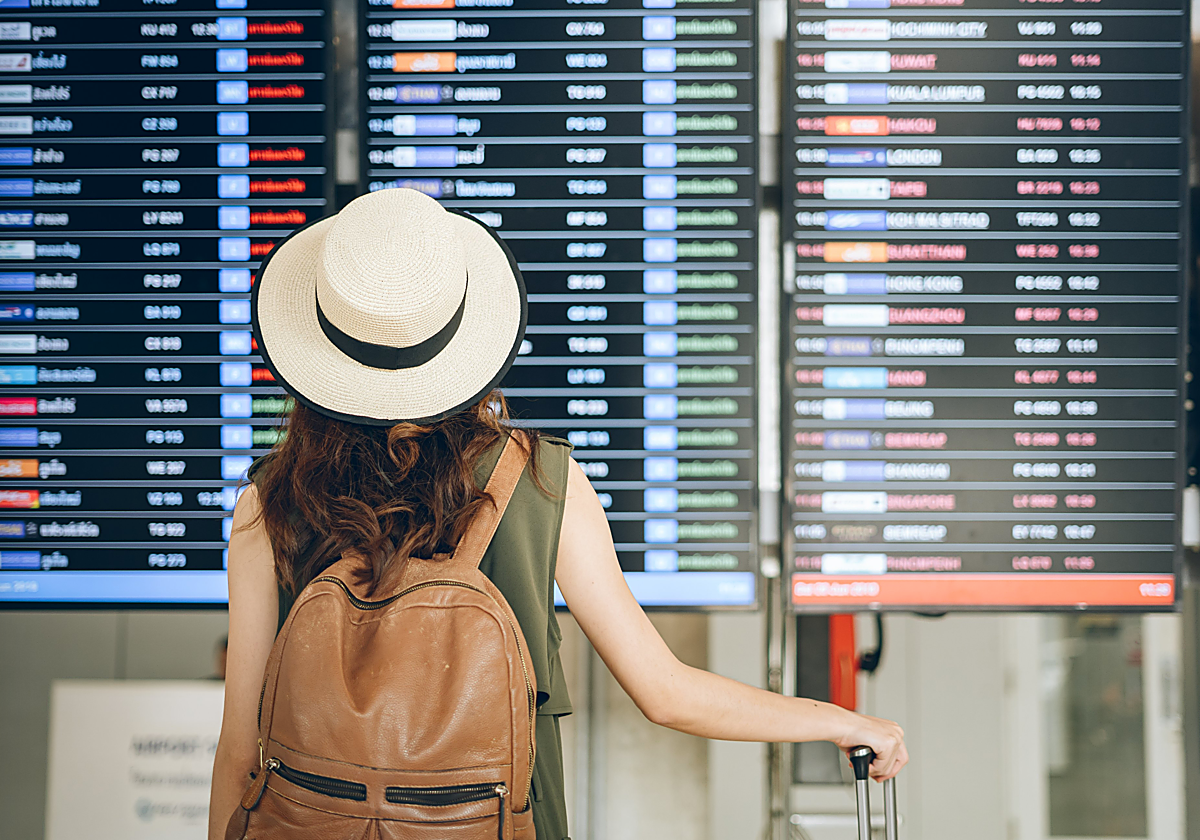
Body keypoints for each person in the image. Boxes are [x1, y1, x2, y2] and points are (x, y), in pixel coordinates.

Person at [208, 189, 907, 840]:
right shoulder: (541, 481)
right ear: (463, 338)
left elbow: (241, 748)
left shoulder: (266, 504)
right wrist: (838, 721)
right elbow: (664, 693)